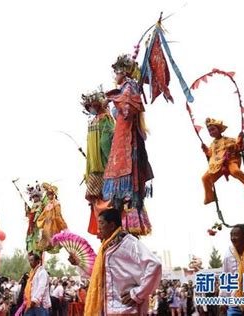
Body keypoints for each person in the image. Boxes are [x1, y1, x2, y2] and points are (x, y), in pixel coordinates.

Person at [71, 208, 162, 315]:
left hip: (127, 310)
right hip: (107, 310)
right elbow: (96, 274)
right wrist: (79, 263)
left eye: (101, 223)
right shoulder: (105, 249)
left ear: (112, 225)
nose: (98, 227)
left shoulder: (129, 243)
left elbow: (155, 265)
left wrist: (137, 294)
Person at [102, 54, 153, 236]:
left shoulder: (130, 86)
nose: (114, 76)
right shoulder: (124, 88)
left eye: (116, 72)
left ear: (123, 72)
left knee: (130, 189)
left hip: (128, 142)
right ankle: (118, 224)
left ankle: (130, 225)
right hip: (120, 139)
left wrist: (112, 98)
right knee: (118, 194)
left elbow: (128, 109)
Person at [201, 118, 244, 204]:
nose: (211, 132)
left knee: (235, 171)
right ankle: (210, 197)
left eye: (213, 129)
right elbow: (211, 155)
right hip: (217, 166)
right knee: (205, 178)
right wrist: (205, 149)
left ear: (219, 129)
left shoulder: (228, 139)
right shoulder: (212, 144)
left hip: (229, 161)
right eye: (209, 131)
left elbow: (238, 145)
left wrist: (240, 138)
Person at [81, 88, 115, 237]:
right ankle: (102, 230)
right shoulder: (95, 121)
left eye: (92, 106)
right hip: (95, 169)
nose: (91, 109)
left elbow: (106, 142)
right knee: (97, 201)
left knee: (107, 201)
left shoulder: (105, 118)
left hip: (104, 167)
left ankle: (108, 230)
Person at [36, 183, 68, 253]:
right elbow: (43, 214)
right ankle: (46, 246)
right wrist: (42, 220)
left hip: (54, 224)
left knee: (54, 236)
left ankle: (55, 245)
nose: (49, 196)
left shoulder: (56, 203)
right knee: (45, 236)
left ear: (53, 194)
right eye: (48, 194)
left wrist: (63, 225)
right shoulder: (47, 204)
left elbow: (58, 215)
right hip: (47, 224)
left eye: (50, 194)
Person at [25, 183, 44, 254]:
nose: (35, 198)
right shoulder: (33, 204)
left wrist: (35, 219)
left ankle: (37, 250)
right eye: (34, 197)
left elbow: (38, 211)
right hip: (31, 220)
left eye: (36, 196)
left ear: (39, 197)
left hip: (36, 221)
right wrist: (27, 208)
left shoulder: (40, 204)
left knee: (36, 235)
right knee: (29, 234)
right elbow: (29, 213)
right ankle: (30, 248)